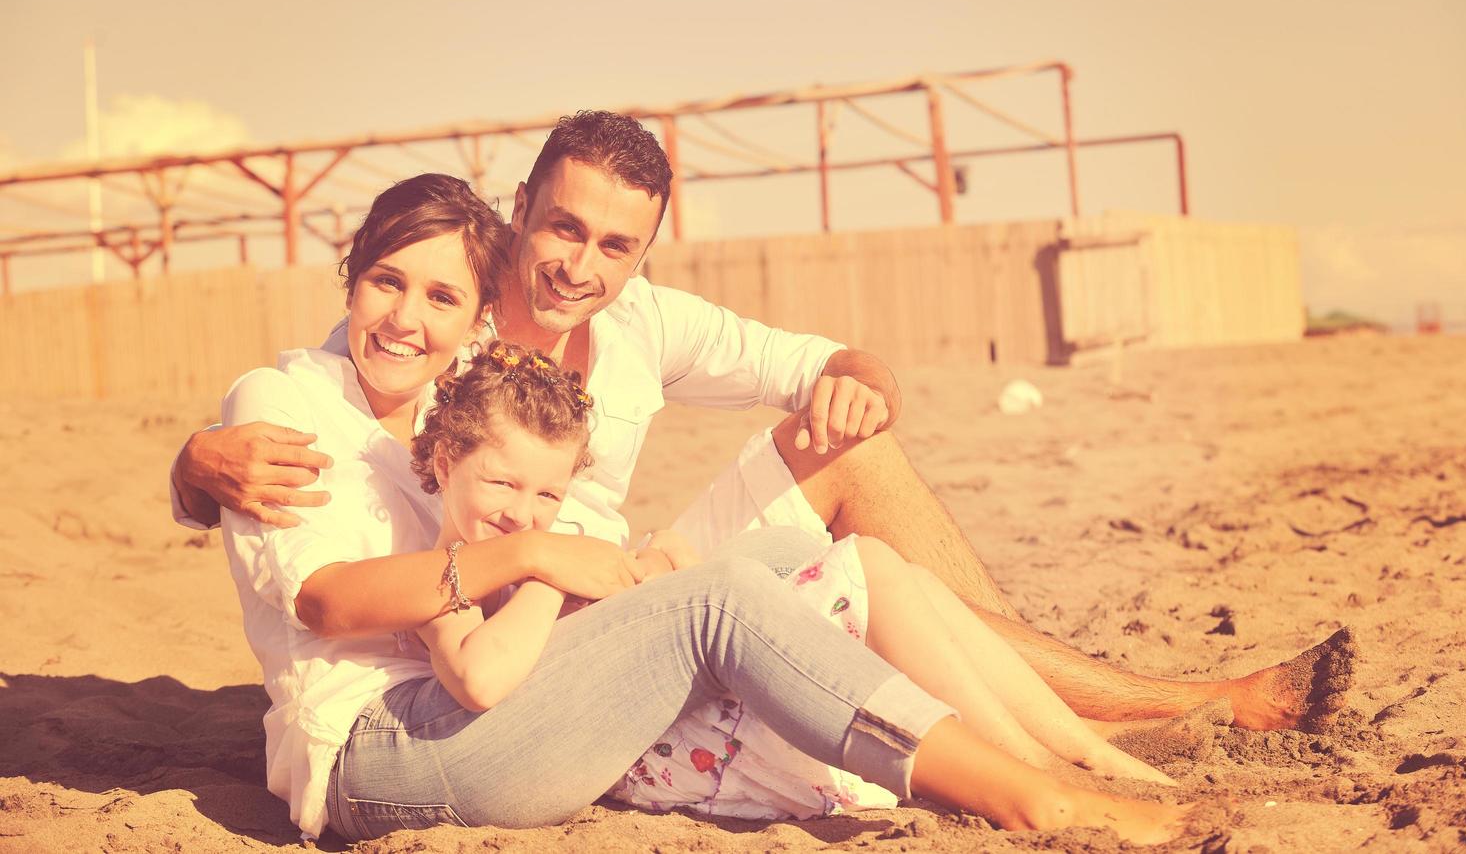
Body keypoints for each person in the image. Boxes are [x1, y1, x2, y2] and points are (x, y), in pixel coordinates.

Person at [174, 110, 1355, 735]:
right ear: (521, 207)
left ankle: (1145, 698)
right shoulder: (452, 316)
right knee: (848, 565)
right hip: (539, 626)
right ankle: (1181, 705)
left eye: (614, 244)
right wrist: (192, 464)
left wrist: (858, 381)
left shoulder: (643, 323)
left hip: (634, 573)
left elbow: (834, 361)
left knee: (860, 451)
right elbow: (341, 391)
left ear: (644, 251)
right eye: (563, 227)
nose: (580, 265)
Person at [218, 171, 1189, 844]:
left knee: (783, 561)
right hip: (374, 754)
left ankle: (1057, 753)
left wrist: (581, 571)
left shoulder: (448, 397)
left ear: (476, 318)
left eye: (439, 296)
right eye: (387, 281)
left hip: (491, 697)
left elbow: (519, 500)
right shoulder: (284, 398)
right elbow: (324, 601)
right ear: (349, 276)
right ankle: (1029, 799)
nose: (406, 317)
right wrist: (539, 561)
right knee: (715, 600)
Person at [409, 340, 1173, 824]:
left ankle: (1074, 747)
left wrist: (651, 565)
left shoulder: (547, 540)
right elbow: (482, 676)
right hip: (656, 755)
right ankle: (1037, 768)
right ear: (445, 464)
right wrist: (546, 571)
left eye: (546, 496)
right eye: (501, 485)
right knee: (850, 583)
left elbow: (646, 601)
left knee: (872, 562)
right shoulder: (445, 578)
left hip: (680, 707)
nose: (522, 515)